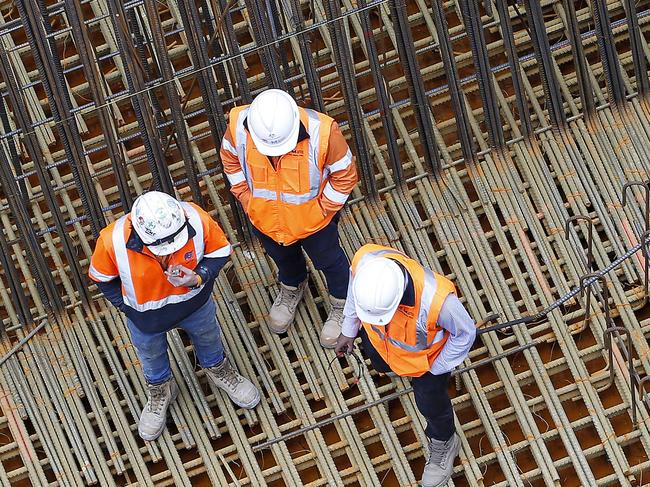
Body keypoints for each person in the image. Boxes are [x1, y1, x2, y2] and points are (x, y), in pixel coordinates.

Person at [88, 191, 260, 441]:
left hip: (196, 306)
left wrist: (198, 276)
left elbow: (220, 251)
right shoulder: (112, 241)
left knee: (209, 337)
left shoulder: (195, 218)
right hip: (147, 321)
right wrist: (128, 308)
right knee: (151, 355)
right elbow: (102, 280)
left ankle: (218, 369)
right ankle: (161, 389)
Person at [220, 88, 358, 347]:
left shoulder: (323, 132)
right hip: (265, 219)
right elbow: (230, 159)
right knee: (282, 256)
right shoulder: (239, 124)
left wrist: (321, 211)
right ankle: (293, 286)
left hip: (316, 223)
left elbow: (345, 175)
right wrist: (247, 199)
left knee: (330, 261)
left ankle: (343, 303)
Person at [335, 244, 476, 487]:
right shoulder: (366, 262)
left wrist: (437, 367)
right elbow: (354, 293)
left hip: (427, 363)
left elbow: (465, 333)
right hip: (383, 346)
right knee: (378, 361)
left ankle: (445, 442)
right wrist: (349, 329)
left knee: (431, 403)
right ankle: (391, 365)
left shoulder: (439, 302)